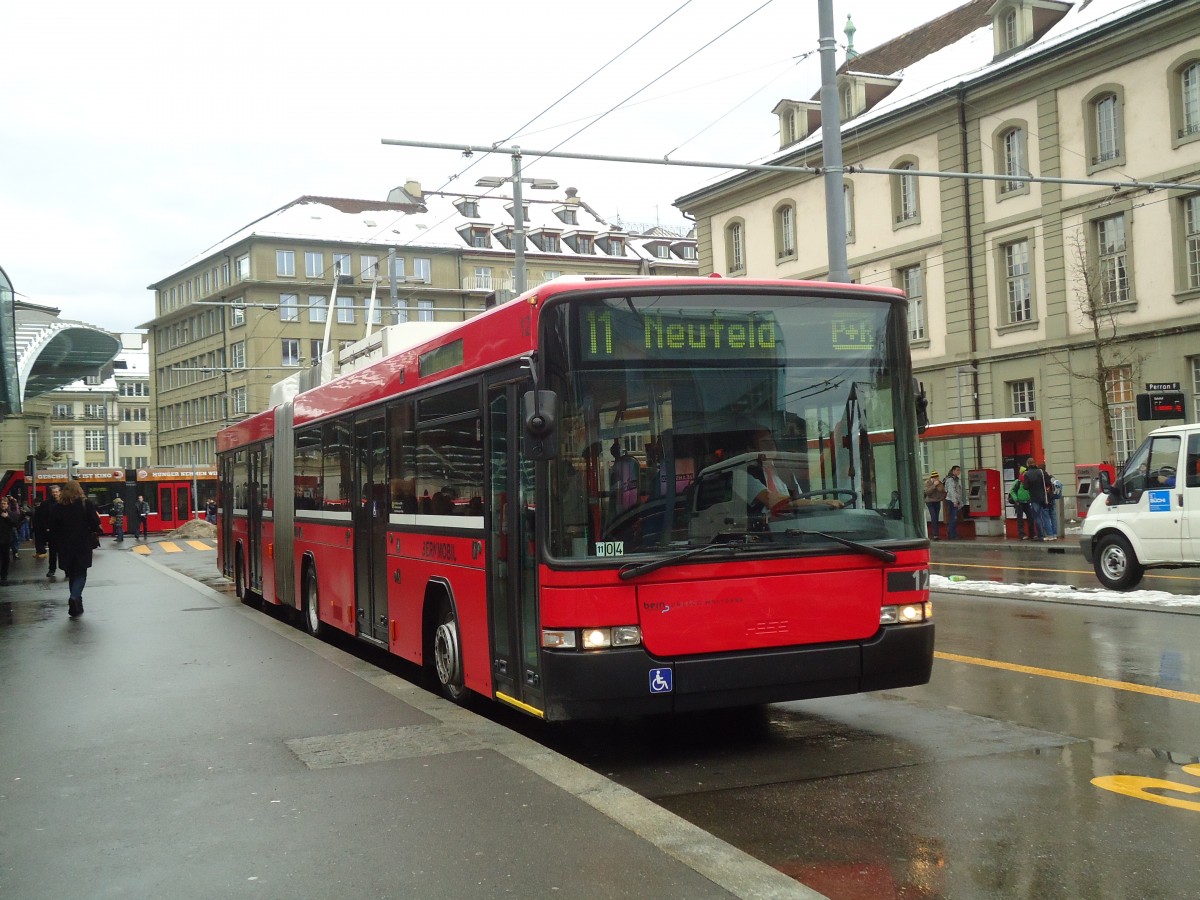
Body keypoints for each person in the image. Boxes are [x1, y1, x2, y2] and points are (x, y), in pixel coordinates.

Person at [47, 480, 103, 618]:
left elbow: (52, 527)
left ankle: (77, 606)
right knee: (81, 573)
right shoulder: (85, 504)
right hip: (82, 544)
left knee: (72, 573)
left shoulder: (57, 506)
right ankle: (74, 597)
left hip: (64, 546)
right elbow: (95, 522)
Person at [1022, 457, 1054, 542]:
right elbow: (1048, 482)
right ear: (1034, 463)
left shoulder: (1027, 474)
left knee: (1037, 517)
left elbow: (1025, 487)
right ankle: (1050, 534)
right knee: (1046, 516)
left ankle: (1041, 535)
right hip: (1043, 497)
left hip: (1034, 498)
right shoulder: (1041, 472)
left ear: (1028, 464)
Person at [33, 485, 61, 576]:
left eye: (56, 492)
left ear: (60, 492)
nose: (55, 494)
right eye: (53, 492)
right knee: (53, 552)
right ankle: (51, 569)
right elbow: (41, 518)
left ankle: (67, 569)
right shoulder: (45, 504)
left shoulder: (64, 502)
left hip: (63, 532)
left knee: (64, 552)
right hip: (52, 532)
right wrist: (46, 528)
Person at [1008, 468, 1034, 540]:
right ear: (1022, 473)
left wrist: (1030, 498)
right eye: (1024, 472)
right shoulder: (1018, 481)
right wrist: (1016, 499)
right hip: (1019, 502)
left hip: (1027, 502)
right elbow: (1012, 491)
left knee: (1031, 518)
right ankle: (1021, 535)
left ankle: (1032, 534)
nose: (1026, 474)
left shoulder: (1028, 481)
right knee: (1020, 519)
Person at [923, 471, 946, 540]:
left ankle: (936, 534)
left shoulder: (940, 483)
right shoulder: (928, 483)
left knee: (936, 517)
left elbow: (941, 490)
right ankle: (935, 534)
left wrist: (938, 485)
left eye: (937, 477)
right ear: (932, 478)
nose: (936, 479)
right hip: (930, 502)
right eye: (935, 477)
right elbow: (927, 492)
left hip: (937, 501)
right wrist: (934, 485)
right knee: (933, 517)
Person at [944, 465, 963, 540]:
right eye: (957, 470)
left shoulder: (955, 479)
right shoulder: (951, 480)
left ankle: (952, 533)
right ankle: (952, 534)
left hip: (953, 500)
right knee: (953, 518)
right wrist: (955, 501)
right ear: (953, 471)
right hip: (951, 501)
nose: (959, 472)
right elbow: (952, 491)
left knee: (953, 518)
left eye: (959, 470)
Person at [0, 501, 16, 586]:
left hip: (6, 540)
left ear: (7, 505)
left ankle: (4, 577)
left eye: (4, 503)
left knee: (5, 559)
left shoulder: (11, 514)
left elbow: (15, 524)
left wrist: (7, 517)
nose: (3, 505)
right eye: (1, 503)